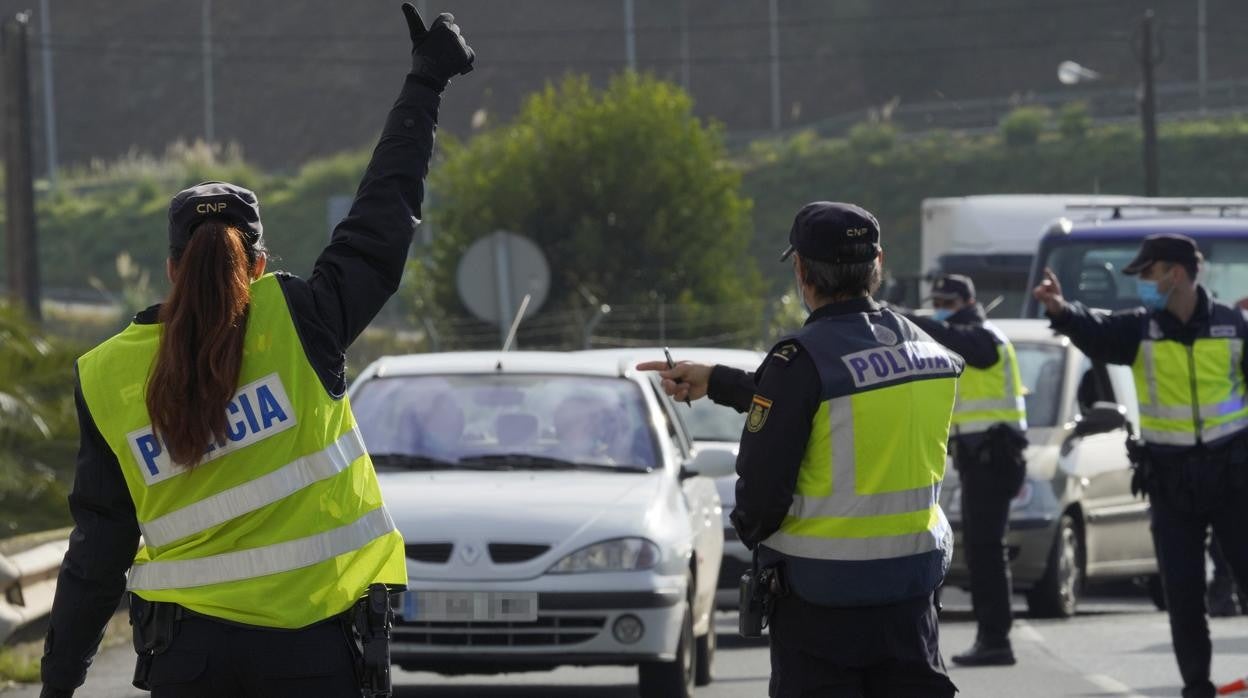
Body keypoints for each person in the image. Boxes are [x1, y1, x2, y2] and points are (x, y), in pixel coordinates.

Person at [38, 6, 474, 697]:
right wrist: (426, 83)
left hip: (192, 662)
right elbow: (381, 218)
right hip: (322, 654)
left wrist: (59, 682)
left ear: (174, 268)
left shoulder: (106, 375)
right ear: (261, 264)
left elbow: (98, 554)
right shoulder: (301, 318)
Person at [640, 202, 962, 698]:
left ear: (801, 270)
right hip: (911, 598)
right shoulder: (925, 351)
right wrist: (720, 381)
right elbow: (840, 401)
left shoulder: (801, 360)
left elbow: (763, 492)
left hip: (821, 606)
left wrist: (752, 537)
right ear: (878, 262)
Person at [1033, 233, 1248, 698]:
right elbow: (1094, 331)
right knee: (1184, 594)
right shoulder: (1140, 328)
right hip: (1170, 481)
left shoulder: (1234, 326)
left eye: (1148, 274)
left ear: (1175, 273)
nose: (1143, 285)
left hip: (1233, 478)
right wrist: (1060, 310)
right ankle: (1197, 686)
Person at [904, 274, 1028, 666]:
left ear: (965, 303)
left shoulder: (985, 337)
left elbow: (962, 343)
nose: (940, 307)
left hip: (994, 458)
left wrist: (907, 318)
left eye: (946, 301)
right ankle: (993, 637)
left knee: (986, 551)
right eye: (936, 300)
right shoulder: (967, 335)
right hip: (982, 459)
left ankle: (996, 640)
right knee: (982, 550)